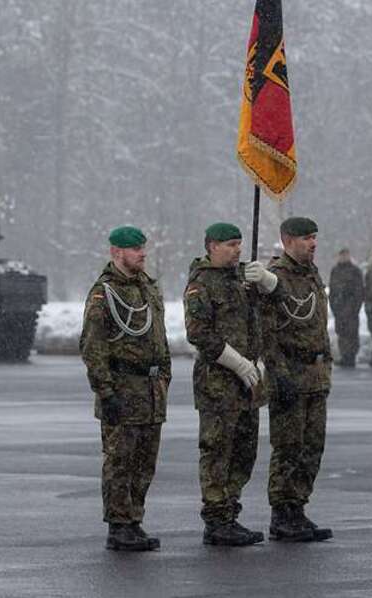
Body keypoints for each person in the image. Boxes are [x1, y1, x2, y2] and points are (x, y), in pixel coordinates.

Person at [79, 226, 170, 551]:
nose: (142, 254)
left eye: (143, 248)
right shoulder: (104, 293)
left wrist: (164, 381)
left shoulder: (147, 288)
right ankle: (118, 526)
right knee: (120, 462)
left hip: (149, 390)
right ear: (116, 252)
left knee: (145, 462)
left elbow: (159, 340)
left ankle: (134, 520)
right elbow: (93, 347)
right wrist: (106, 393)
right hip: (121, 388)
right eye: (135, 249)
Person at [182, 222, 266, 547]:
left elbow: (260, 318)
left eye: (239, 244)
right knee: (218, 451)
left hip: (248, 382)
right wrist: (236, 361)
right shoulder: (201, 283)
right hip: (218, 382)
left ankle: (231, 512)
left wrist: (268, 283)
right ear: (212, 246)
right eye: (230, 244)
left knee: (245, 451)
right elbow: (199, 332)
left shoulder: (242, 279)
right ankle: (216, 519)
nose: (237, 250)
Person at [259, 217, 333, 542]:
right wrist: (278, 373)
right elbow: (266, 330)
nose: (313, 243)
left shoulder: (312, 274)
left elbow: (317, 324)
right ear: (288, 240)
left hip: (315, 374)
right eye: (306, 238)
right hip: (290, 372)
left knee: (312, 446)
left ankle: (298, 507)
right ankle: (282, 513)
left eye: (315, 237)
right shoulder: (275, 278)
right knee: (288, 447)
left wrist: (326, 364)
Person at [327, 248, 363, 368]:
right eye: (341, 255)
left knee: (352, 333)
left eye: (345, 255)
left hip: (351, 308)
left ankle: (351, 356)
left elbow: (359, 291)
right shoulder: (335, 271)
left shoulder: (355, 271)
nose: (343, 257)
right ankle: (344, 355)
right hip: (339, 307)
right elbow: (332, 291)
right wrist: (333, 306)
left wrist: (355, 308)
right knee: (341, 333)